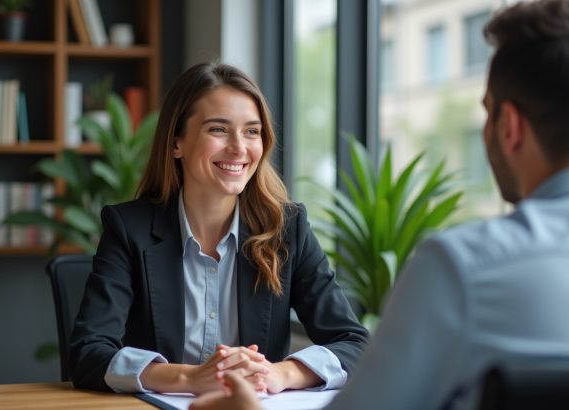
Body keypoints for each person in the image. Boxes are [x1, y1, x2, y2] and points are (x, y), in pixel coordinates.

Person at [189, 1, 569, 409]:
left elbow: (353, 350)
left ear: (509, 126)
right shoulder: (132, 226)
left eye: (486, 114)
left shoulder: (464, 268)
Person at [68, 63, 368, 395]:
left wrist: (279, 374)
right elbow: (89, 353)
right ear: (176, 143)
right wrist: (187, 378)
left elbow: (354, 343)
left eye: (252, 131)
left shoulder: (287, 230)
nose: (239, 148)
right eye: (218, 130)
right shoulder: (129, 230)